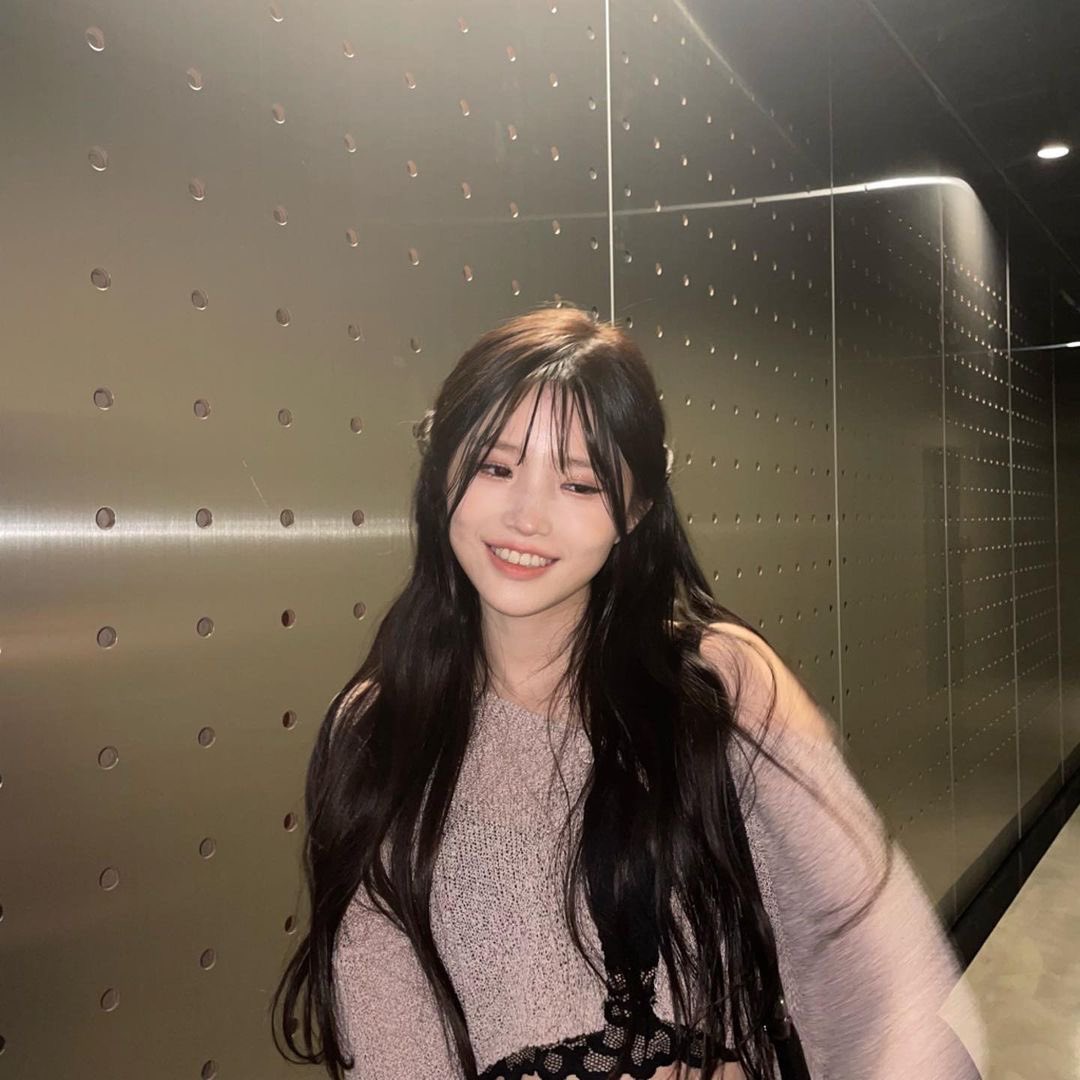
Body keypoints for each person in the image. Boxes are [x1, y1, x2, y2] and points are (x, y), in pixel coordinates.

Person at [271, 303, 985, 1079]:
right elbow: (385, 1022)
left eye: (579, 483)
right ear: (442, 471)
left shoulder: (717, 685)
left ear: (637, 508)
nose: (527, 517)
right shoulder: (380, 726)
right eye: (495, 467)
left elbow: (881, 970)